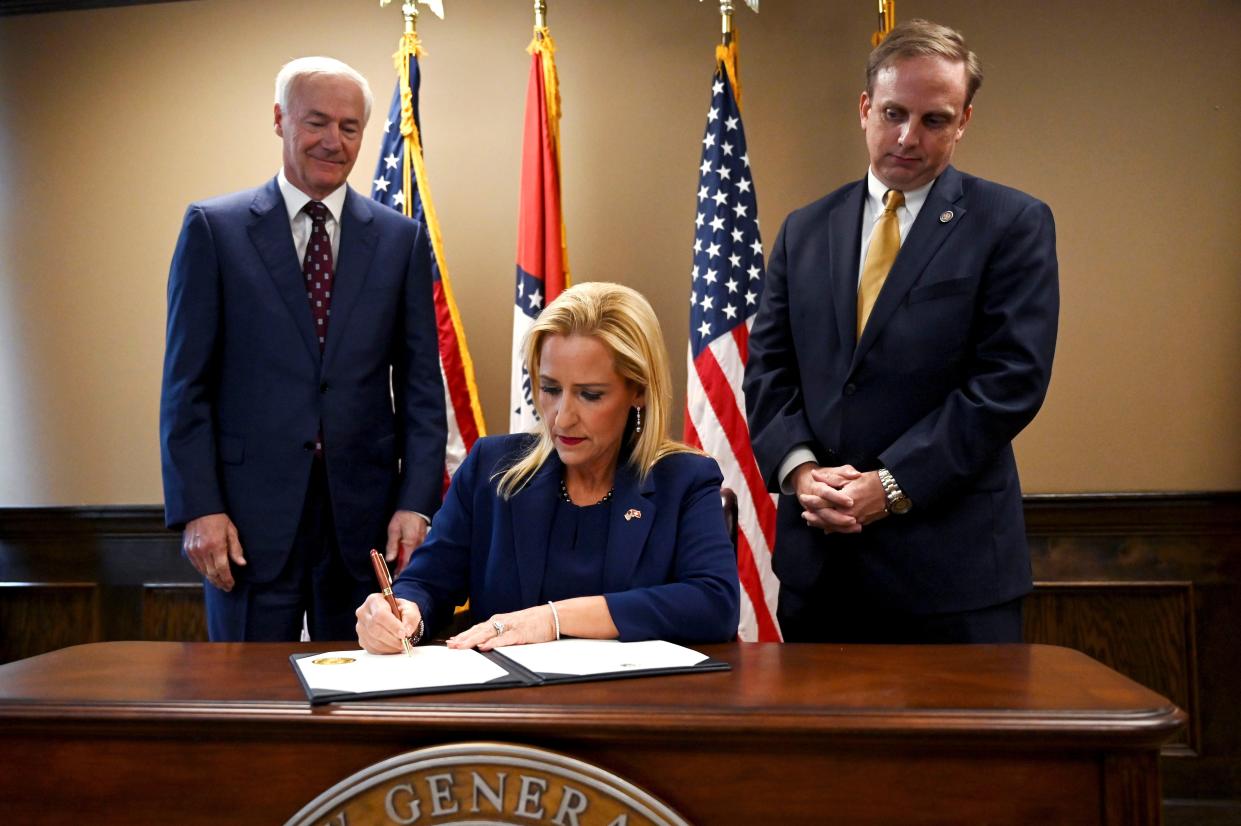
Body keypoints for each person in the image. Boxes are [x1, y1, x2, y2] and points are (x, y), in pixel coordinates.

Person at [743, 20, 1058, 644]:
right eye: (893, 113)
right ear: (865, 109)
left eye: (934, 120)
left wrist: (888, 487)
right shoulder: (804, 229)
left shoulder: (1012, 223)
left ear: (963, 120)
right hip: (821, 572)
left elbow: (1008, 383)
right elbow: (769, 371)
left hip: (953, 580)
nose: (908, 137)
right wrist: (802, 473)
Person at [160, 56, 446, 641]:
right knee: (247, 703)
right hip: (244, 526)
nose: (333, 141)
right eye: (317, 122)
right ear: (280, 120)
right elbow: (186, 387)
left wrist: (417, 503)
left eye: (349, 127)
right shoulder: (214, 229)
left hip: (365, 527)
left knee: (367, 699)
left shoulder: (401, 240)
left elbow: (420, 388)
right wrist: (198, 507)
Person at [356, 282, 740, 652]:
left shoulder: (684, 480)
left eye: (590, 395)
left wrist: (553, 619)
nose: (561, 419)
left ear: (638, 390)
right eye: (550, 389)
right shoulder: (491, 468)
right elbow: (426, 583)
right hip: (513, 706)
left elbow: (714, 604)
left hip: (631, 707)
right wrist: (403, 614)